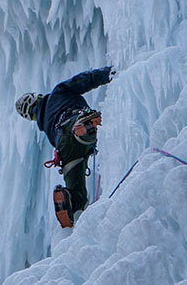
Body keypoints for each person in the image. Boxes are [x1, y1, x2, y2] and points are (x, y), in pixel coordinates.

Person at [15, 67, 114, 228]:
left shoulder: (47, 128)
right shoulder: (59, 91)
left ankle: (70, 200)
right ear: (38, 97)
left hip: (64, 147)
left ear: (32, 117)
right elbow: (85, 79)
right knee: (82, 131)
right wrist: (109, 73)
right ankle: (87, 127)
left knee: (76, 188)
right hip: (74, 121)